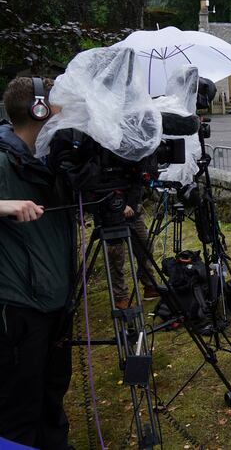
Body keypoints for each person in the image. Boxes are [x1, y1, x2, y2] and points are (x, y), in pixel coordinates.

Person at [0, 77, 75, 449]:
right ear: (39, 109)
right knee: (18, 406)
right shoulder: (2, 158)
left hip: (55, 302)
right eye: (57, 105)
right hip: (18, 308)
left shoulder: (49, 163)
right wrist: (2, 205)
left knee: (51, 393)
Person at [106, 187, 159, 310]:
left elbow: (136, 183)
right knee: (116, 255)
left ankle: (150, 285)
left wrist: (131, 204)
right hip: (110, 214)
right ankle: (120, 297)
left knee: (145, 247)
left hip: (133, 211)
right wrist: (120, 205)